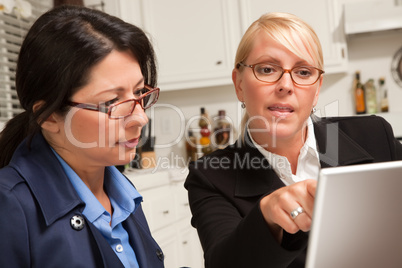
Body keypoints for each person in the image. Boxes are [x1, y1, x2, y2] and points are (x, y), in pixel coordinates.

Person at [184, 12, 402, 268]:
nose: (286, 85)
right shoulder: (210, 176)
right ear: (239, 84)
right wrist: (266, 216)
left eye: (303, 71)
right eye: (267, 69)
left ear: (317, 88)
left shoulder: (375, 135)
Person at [0, 5, 164, 268]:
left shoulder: (123, 194)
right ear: (49, 116)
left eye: (139, 93)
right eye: (112, 101)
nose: (141, 118)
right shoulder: (9, 205)